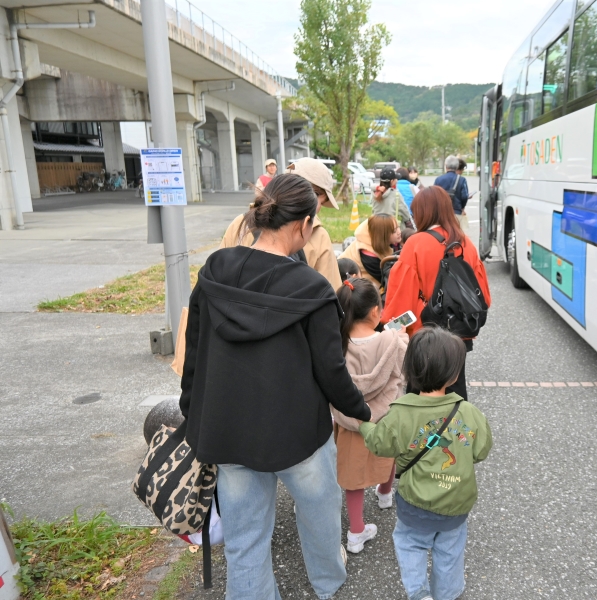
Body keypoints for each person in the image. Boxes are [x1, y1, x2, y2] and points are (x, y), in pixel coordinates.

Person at [179, 173, 372, 600]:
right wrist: (361, 411)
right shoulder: (312, 289)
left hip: (227, 431)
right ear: (303, 225)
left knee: (245, 539)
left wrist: (193, 413)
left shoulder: (215, 272)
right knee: (320, 516)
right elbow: (331, 371)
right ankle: (328, 584)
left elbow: (196, 352)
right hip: (297, 434)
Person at [359, 326, 493, 600]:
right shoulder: (469, 413)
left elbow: (379, 443)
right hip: (456, 503)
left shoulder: (401, 413)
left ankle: (419, 593)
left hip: (415, 503)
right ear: (454, 375)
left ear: (410, 370)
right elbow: (481, 451)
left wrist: (364, 426)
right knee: (450, 550)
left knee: (410, 544)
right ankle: (447, 593)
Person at [381, 186, 491, 400]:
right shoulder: (466, 244)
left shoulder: (415, 244)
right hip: (459, 336)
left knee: (420, 397)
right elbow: (483, 298)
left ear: (423, 212)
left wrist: (387, 328)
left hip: (425, 338)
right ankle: (457, 432)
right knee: (454, 395)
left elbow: (403, 306)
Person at [333, 277, 409, 554]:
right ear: (376, 312)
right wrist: (401, 338)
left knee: (352, 475)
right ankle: (385, 494)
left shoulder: (336, 344)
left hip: (351, 421)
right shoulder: (391, 340)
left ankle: (356, 532)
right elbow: (404, 371)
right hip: (385, 416)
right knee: (386, 456)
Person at [286, 158, 343, 290]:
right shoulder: (318, 235)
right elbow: (331, 294)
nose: (318, 208)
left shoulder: (242, 224)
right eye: (317, 197)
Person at [339, 215, 402, 289]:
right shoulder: (368, 254)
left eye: (398, 227)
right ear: (382, 235)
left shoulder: (375, 240)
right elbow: (389, 280)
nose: (399, 232)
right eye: (394, 231)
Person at [433, 156, 469, 232]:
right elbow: (464, 196)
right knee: (458, 234)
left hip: (442, 214)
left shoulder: (438, 179)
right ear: (457, 166)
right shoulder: (462, 180)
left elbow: (434, 196)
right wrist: (462, 208)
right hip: (456, 212)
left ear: (446, 166)